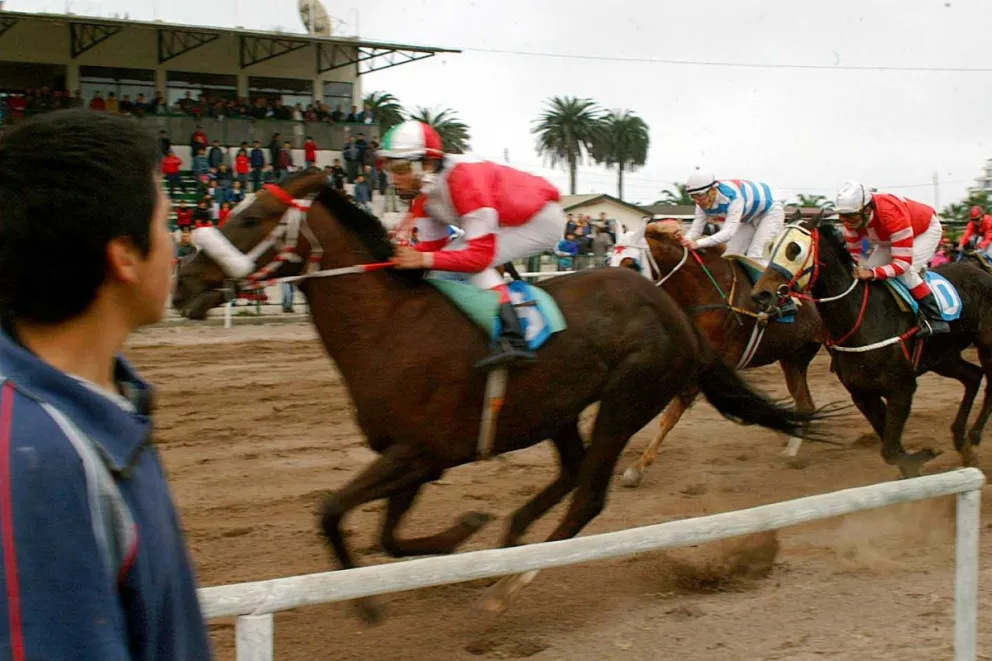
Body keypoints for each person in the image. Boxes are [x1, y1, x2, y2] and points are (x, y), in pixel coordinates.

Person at [0, 109, 212, 660]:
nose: (175, 246)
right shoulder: (37, 454)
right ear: (123, 256)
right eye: (166, 225)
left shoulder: (107, 406)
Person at [379, 119, 565, 368]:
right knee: (442, 266)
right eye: (389, 168)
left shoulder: (465, 180)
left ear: (427, 164)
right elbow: (431, 247)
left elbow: (478, 257)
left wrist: (421, 259)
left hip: (540, 221)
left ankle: (514, 338)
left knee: (463, 263)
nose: (393, 179)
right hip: (507, 219)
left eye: (400, 169)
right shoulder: (426, 195)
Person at [834, 180, 949, 335]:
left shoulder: (891, 215)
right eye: (843, 217)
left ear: (867, 209)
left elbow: (902, 264)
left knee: (907, 273)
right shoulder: (855, 217)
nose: (847, 223)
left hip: (923, 231)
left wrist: (873, 273)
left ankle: (936, 320)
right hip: (886, 238)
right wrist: (862, 267)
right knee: (865, 270)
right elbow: (859, 253)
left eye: (852, 218)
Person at [681, 171, 793, 314]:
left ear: (713, 190)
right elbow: (696, 229)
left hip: (770, 212)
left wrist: (698, 244)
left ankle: (783, 300)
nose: (698, 200)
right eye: (693, 197)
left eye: (700, 195)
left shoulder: (733, 197)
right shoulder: (701, 203)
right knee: (730, 255)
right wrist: (686, 240)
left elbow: (728, 233)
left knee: (755, 255)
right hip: (749, 217)